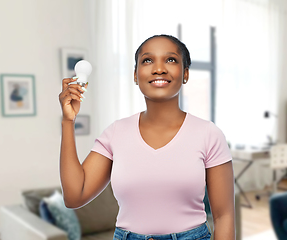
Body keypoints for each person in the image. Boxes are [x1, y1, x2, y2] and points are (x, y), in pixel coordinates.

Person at [59, 34, 235, 240]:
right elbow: (74, 196)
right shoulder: (116, 133)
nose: (159, 68)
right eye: (147, 60)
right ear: (135, 75)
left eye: (170, 60)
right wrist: (67, 121)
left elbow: (224, 216)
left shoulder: (209, 134)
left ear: (185, 73)